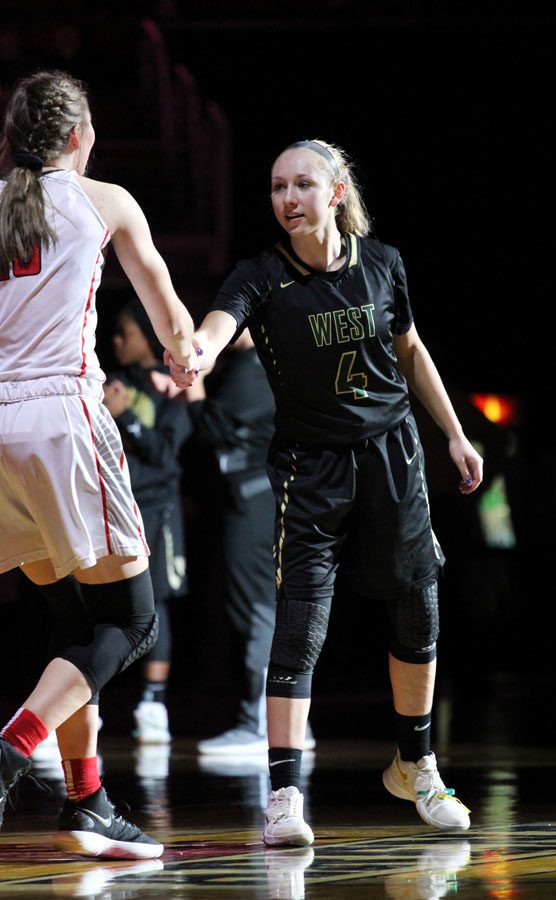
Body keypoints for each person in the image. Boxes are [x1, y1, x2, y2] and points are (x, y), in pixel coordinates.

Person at [167, 138, 483, 846]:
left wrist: (456, 435)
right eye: (278, 187)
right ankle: (283, 794)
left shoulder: (383, 264)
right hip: (313, 469)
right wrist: (199, 351)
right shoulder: (261, 277)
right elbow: (220, 326)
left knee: (416, 607)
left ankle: (416, 766)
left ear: (335, 192)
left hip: (393, 456)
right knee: (301, 623)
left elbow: (411, 349)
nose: (288, 199)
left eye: (302, 185)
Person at [0, 70, 197, 858]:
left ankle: (87, 799)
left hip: (2, 426)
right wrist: (188, 358)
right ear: (79, 137)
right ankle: (13, 747)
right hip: (64, 419)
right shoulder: (103, 200)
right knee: (132, 618)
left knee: (76, 626)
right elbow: (167, 307)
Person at [152, 329, 315, 755]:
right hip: (255, 500)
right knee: (259, 605)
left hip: (255, 501)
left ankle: (260, 723)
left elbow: (214, 429)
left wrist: (195, 388)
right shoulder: (254, 365)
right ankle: (285, 724)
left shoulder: (258, 367)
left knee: (255, 607)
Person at [104, 299, 192, 745]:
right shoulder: (107, 384)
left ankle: (154, 703)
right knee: (101, 602)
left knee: (157, 600)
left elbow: (166, 453)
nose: (118, 340)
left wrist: (128, 420)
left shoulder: (169, 390)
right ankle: (89, 701)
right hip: (112, 507)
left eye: (126, 331)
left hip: (158, 507)